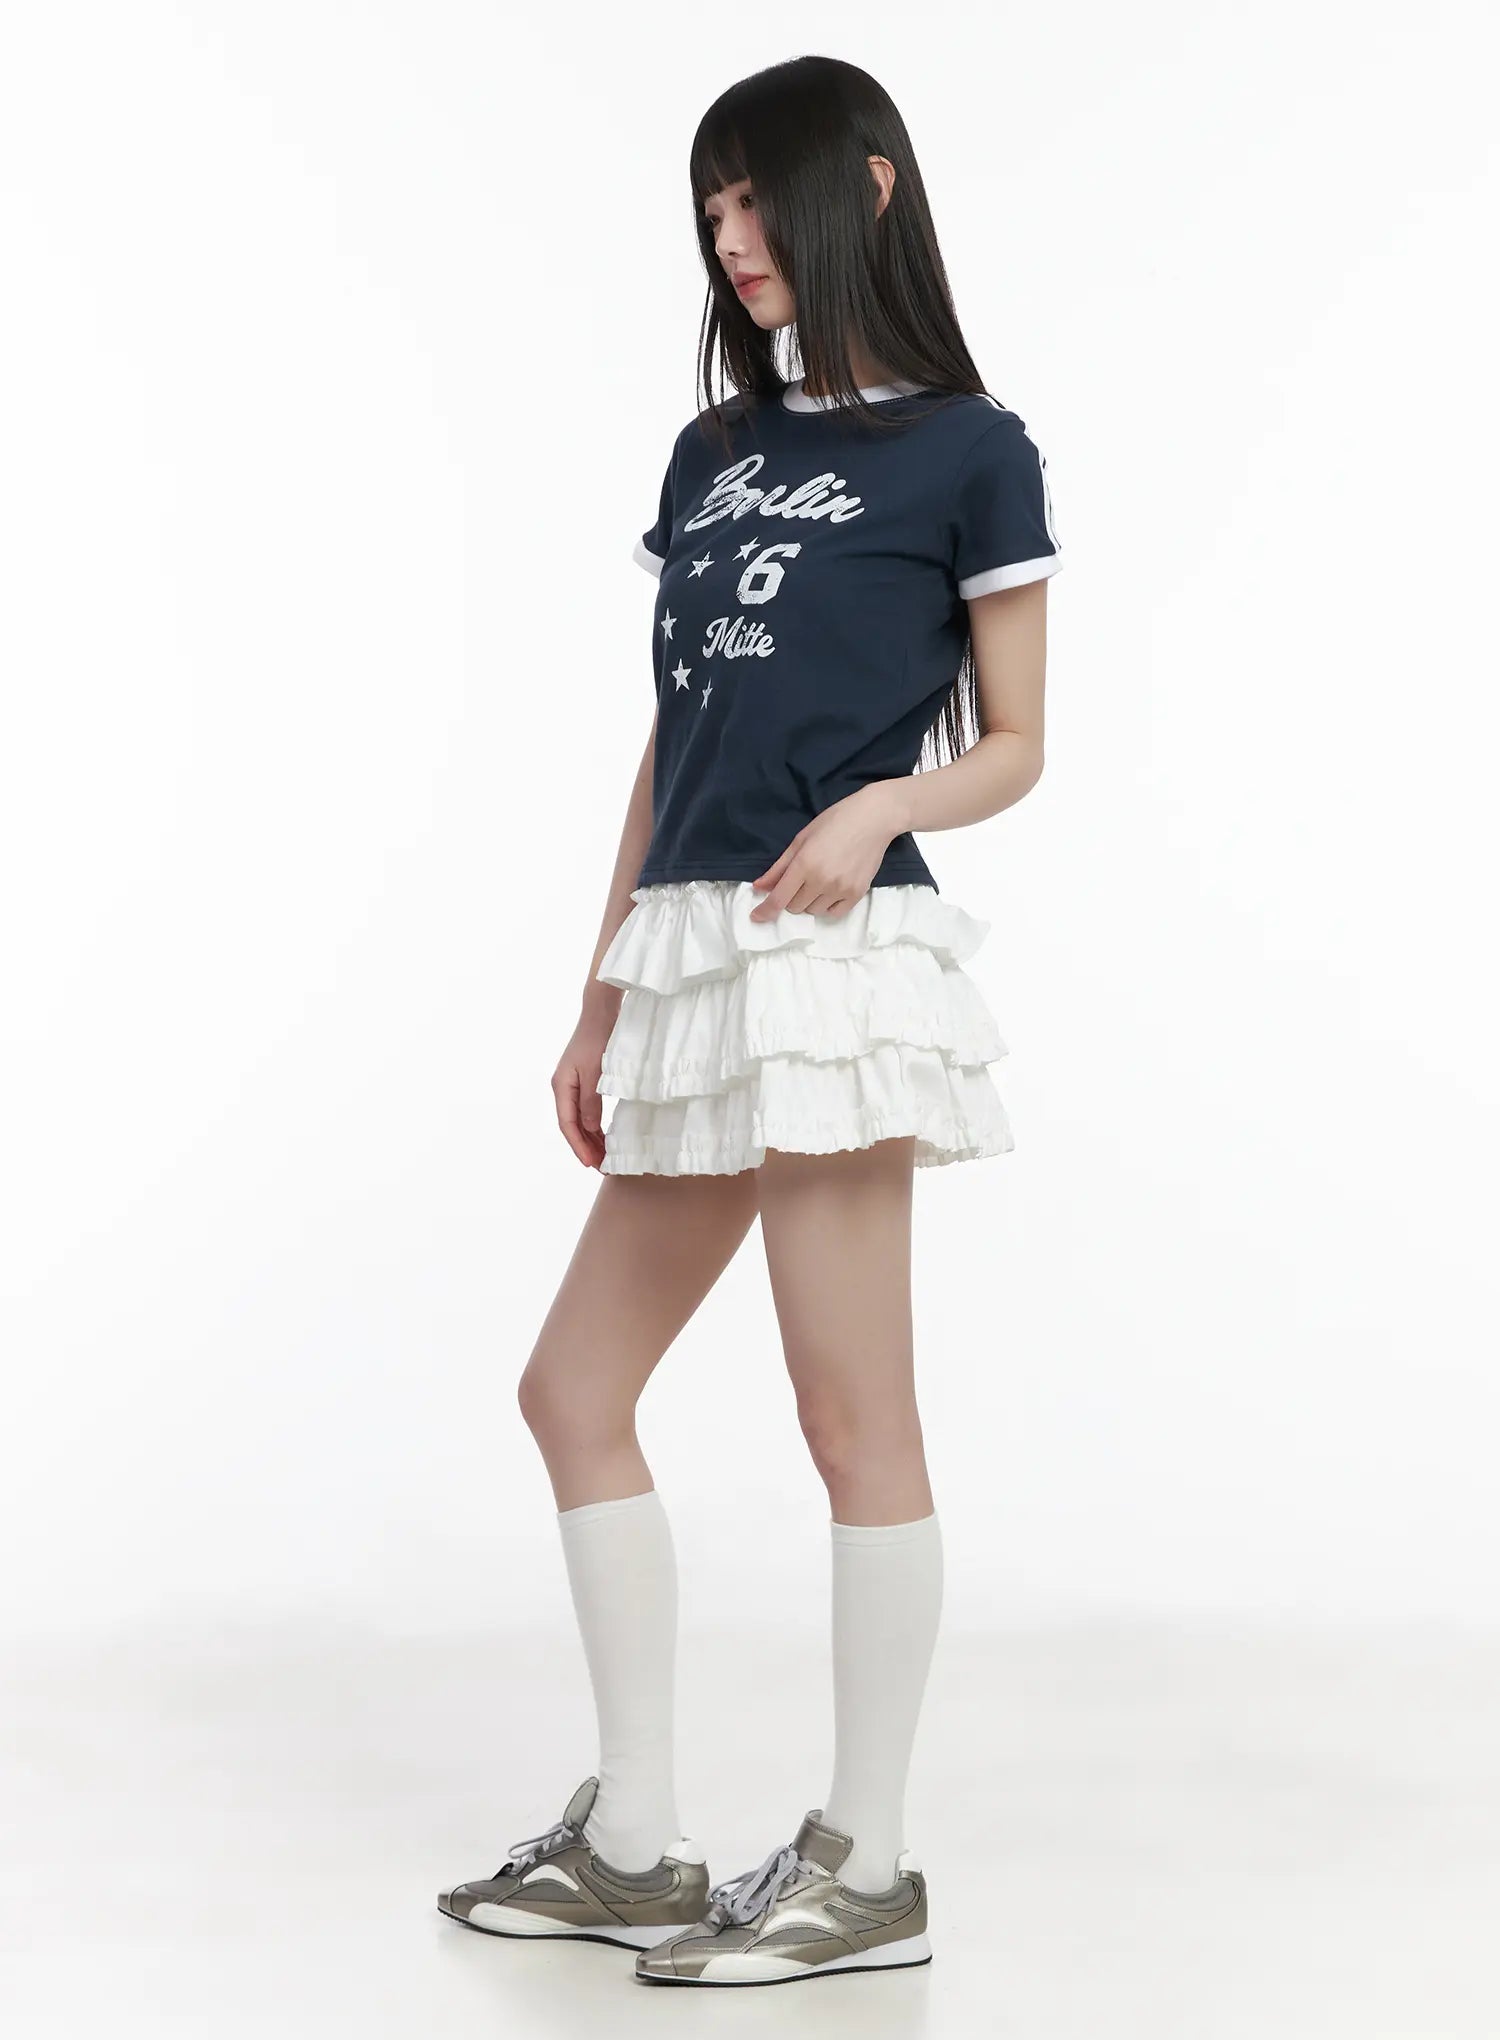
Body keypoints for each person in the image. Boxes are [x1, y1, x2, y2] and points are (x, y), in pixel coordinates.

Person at [437, 51, 1061, 1989]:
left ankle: (866, 1866)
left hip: (837, 963)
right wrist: (599, 991)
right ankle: (636, 1844)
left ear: (863, 188)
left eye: (754, 197)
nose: (727, 236)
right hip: (696, 962)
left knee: (850, 1415)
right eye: (707, 208)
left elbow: (1020, 743)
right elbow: (673, 739)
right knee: (573, 1388)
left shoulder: (973, 450)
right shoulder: (712, 454)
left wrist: (883, 809)